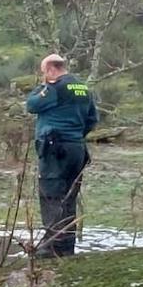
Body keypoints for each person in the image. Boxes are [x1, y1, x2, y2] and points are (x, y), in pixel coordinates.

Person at [26, 54, 99, 258]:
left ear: (50, 70)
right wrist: (76, 135)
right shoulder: (84, 88)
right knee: (69, 197)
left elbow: (31, 105)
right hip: (77, 148)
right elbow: (92, 119)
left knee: (51, 194)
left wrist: (43, 86)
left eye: (44, 72)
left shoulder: (54, 88)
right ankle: (67, 245)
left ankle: (52, 245)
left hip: (55, 150)